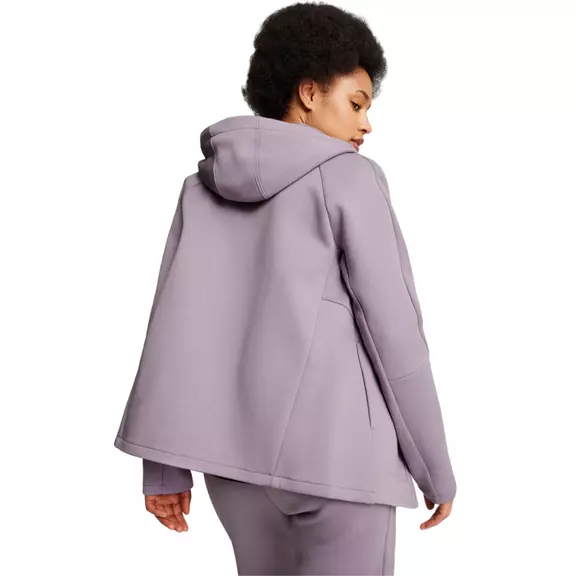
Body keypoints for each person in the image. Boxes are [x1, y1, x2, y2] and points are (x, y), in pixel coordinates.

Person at [113, 2, 457, 574]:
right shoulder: (351, 176)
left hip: (235, 473)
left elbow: (175, 326)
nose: (366, 125)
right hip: (343, 463)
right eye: (357, 103)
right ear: (308, 92)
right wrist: (434, 468)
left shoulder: (200, 189)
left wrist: (164, 467)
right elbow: (394, 332)